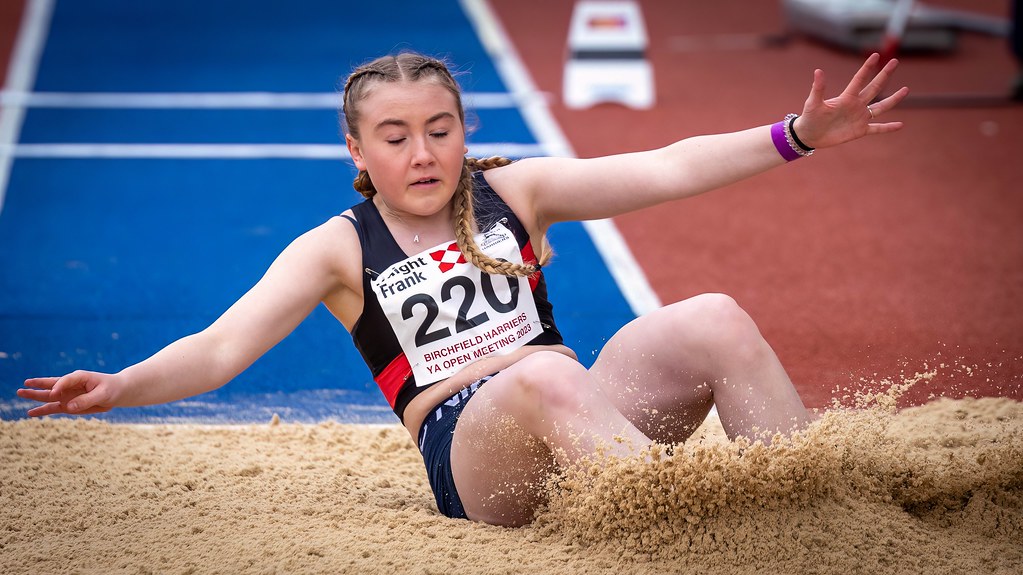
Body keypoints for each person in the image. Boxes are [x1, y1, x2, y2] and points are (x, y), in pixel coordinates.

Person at [18, 51, 908, 527]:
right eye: (395, 136)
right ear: (357, 154)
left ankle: (816, 514)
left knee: (711, 314)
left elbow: (664, 167)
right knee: (537, 376)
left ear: (462, 133)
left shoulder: (512, 191)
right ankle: (693, 531)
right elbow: (219, 347)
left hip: (578, 413)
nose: (422, 153)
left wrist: (795, 134)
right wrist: (121, 384)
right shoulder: (334, 249)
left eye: (438, 129)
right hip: (479, 459)